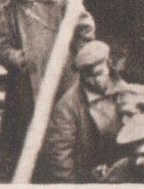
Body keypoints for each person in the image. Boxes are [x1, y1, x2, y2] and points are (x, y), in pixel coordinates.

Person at [0, 0, 96, 176]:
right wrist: (17, 58)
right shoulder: (8, 11)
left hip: (65, 76)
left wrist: (79, 58)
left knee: (67, 121)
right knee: (33, 128)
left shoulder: (61, 1)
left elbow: (86, 27)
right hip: (28, 83)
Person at [42, 41, 123, 183]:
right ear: (82, 76)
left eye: (100, 73)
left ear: (108, 65)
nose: (97, 80)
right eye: (90, 76)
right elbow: (60, 157)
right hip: (89, 176)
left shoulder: (122, 88)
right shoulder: (67, 106)